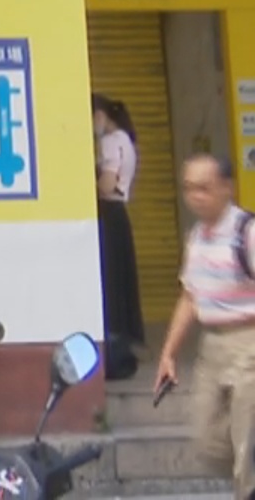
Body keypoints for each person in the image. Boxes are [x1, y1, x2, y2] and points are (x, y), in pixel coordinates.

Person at [156, 153, 255, 500]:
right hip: (212, 346)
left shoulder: (247, 233)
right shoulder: (197, 236)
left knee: (247, 443)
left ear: (227, 188)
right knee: (207, 438)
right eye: (189, 188)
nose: (195, 196)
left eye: (204, 188)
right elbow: (190, 296)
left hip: (248, 342)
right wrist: (168, 354)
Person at [93, 94, 145, 379]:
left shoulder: (110, 142)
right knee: (120, 284)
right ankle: (121, 350)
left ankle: (114, 357)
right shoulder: (126, 139)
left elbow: (106, 185)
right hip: (119, 217)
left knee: (110, 286)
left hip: (108, 216)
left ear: (101, 116)